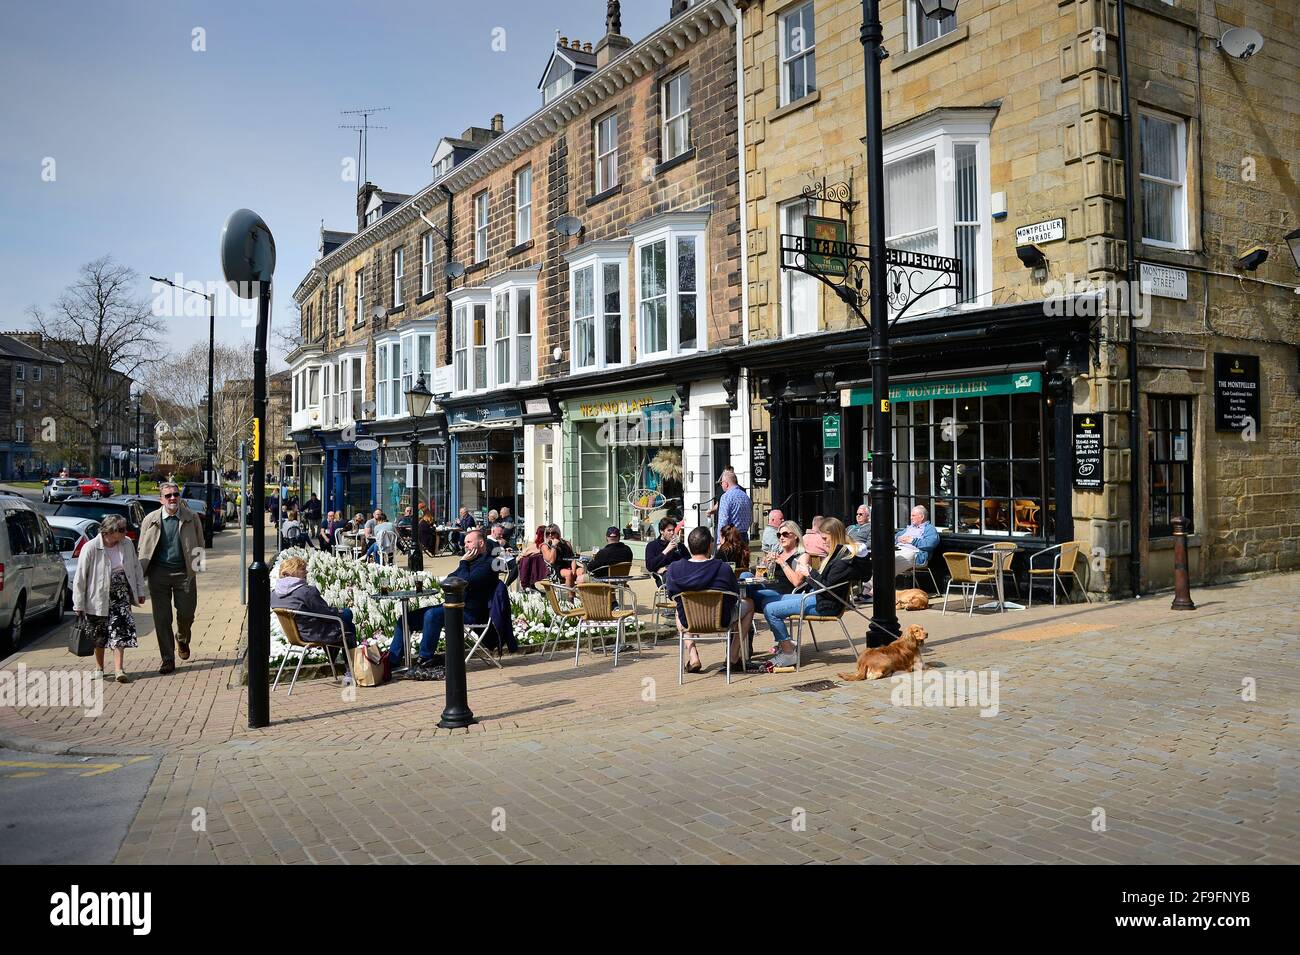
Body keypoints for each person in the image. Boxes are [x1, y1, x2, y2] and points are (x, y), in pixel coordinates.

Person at [392, 528, 499, 670]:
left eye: (469, 542)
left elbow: (465, 582)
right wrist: (464, 564)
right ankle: (392, 661)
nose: (465, 545)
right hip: (452, 606)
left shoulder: (489, 564)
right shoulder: (470, 561)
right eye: (465, 542)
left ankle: (425, 659)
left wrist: (463, 562)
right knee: (405, 619)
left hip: (470, 613)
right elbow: (450, 579)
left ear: (480, 543)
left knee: (432, 615)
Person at [763, 517, 857, 667]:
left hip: (824, 604)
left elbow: (824, 587)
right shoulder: (836, 556)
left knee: (770, 609)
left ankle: (788, 653)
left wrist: (809, 573)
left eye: (825, 538)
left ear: (835, 535)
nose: (823, 542)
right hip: (817, 597)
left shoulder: (842, 559)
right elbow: (825, 583)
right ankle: (787, 643)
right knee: (768, 601)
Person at [137, 481, 205, 675]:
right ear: (161, 499)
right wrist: (139, 575)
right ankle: (167, 659)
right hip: (158, 575)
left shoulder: (191, 517)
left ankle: (182, 638)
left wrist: (197, 568)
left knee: (187, 613)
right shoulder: (150, 519)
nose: (173, 498)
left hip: (184, 573)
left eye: (175, 494)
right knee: (162, 618)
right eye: (168, 496)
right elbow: (142, 546)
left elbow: (200, 542)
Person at [73, 515, 148, 684]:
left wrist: (139, 591)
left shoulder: (127, 543)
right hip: (97, 598)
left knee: (119, 632)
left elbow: (136, 568)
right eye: (121, 529)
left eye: (125, 528)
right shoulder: (91, 547)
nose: (125, 532)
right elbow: (80, 578)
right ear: (109, 531)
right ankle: (99, 668)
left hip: (121, 596)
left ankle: (119, 669)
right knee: (99, 635)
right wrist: (78, 603)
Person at [664, 527, 741, 673]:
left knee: (678, 611)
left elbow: (671, 595)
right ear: (709, 546)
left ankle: (693, 656)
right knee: (748, 605)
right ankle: (733, 656)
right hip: (721, 620)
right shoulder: (723, 568)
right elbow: (735, 595)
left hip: (689, 621)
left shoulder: (674, 568)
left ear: (689, 546)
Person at [271, 555, 357, 669]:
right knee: (347, 619)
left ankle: (335, 662)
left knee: (342, 622)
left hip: (296, 635)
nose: (306, 572)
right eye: (302, 569)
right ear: (291, 572)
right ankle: (351, 668)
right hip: (314, 634)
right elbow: (326, 613)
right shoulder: (306, 591)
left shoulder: (274, 594)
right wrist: (341, 611)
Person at [740, 520, 808, 643]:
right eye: (779, 535)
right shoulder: (778, 553)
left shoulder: (802, 555)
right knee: (745, 575)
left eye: (785, 534)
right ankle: (745, 632)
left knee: (744, 600)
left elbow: (797, 582)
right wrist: (764, 564)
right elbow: (758, 578)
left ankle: (744, 635)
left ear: (796, 536)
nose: (781, 537)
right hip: (766, 590)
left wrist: (782, 562)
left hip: (783, 595)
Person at [644, 516, 688, 584]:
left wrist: (668, 567)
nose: (672, 533)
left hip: (680, 575)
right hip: (665, 579)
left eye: (673, 530)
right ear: (661, 531)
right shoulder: (652, 546)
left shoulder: (679, 545)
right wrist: (666, 551)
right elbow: (650, 566)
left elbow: (688, 559)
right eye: (669, 530)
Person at [715, 467, 753, 544]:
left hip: (731, 537)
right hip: (744, 536)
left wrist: (719, 541)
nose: (721, 485)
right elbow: (750, 519)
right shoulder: (745, 496)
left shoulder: (726, 497)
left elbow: (723, 520)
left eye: (722, 482)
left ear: (726, 483)